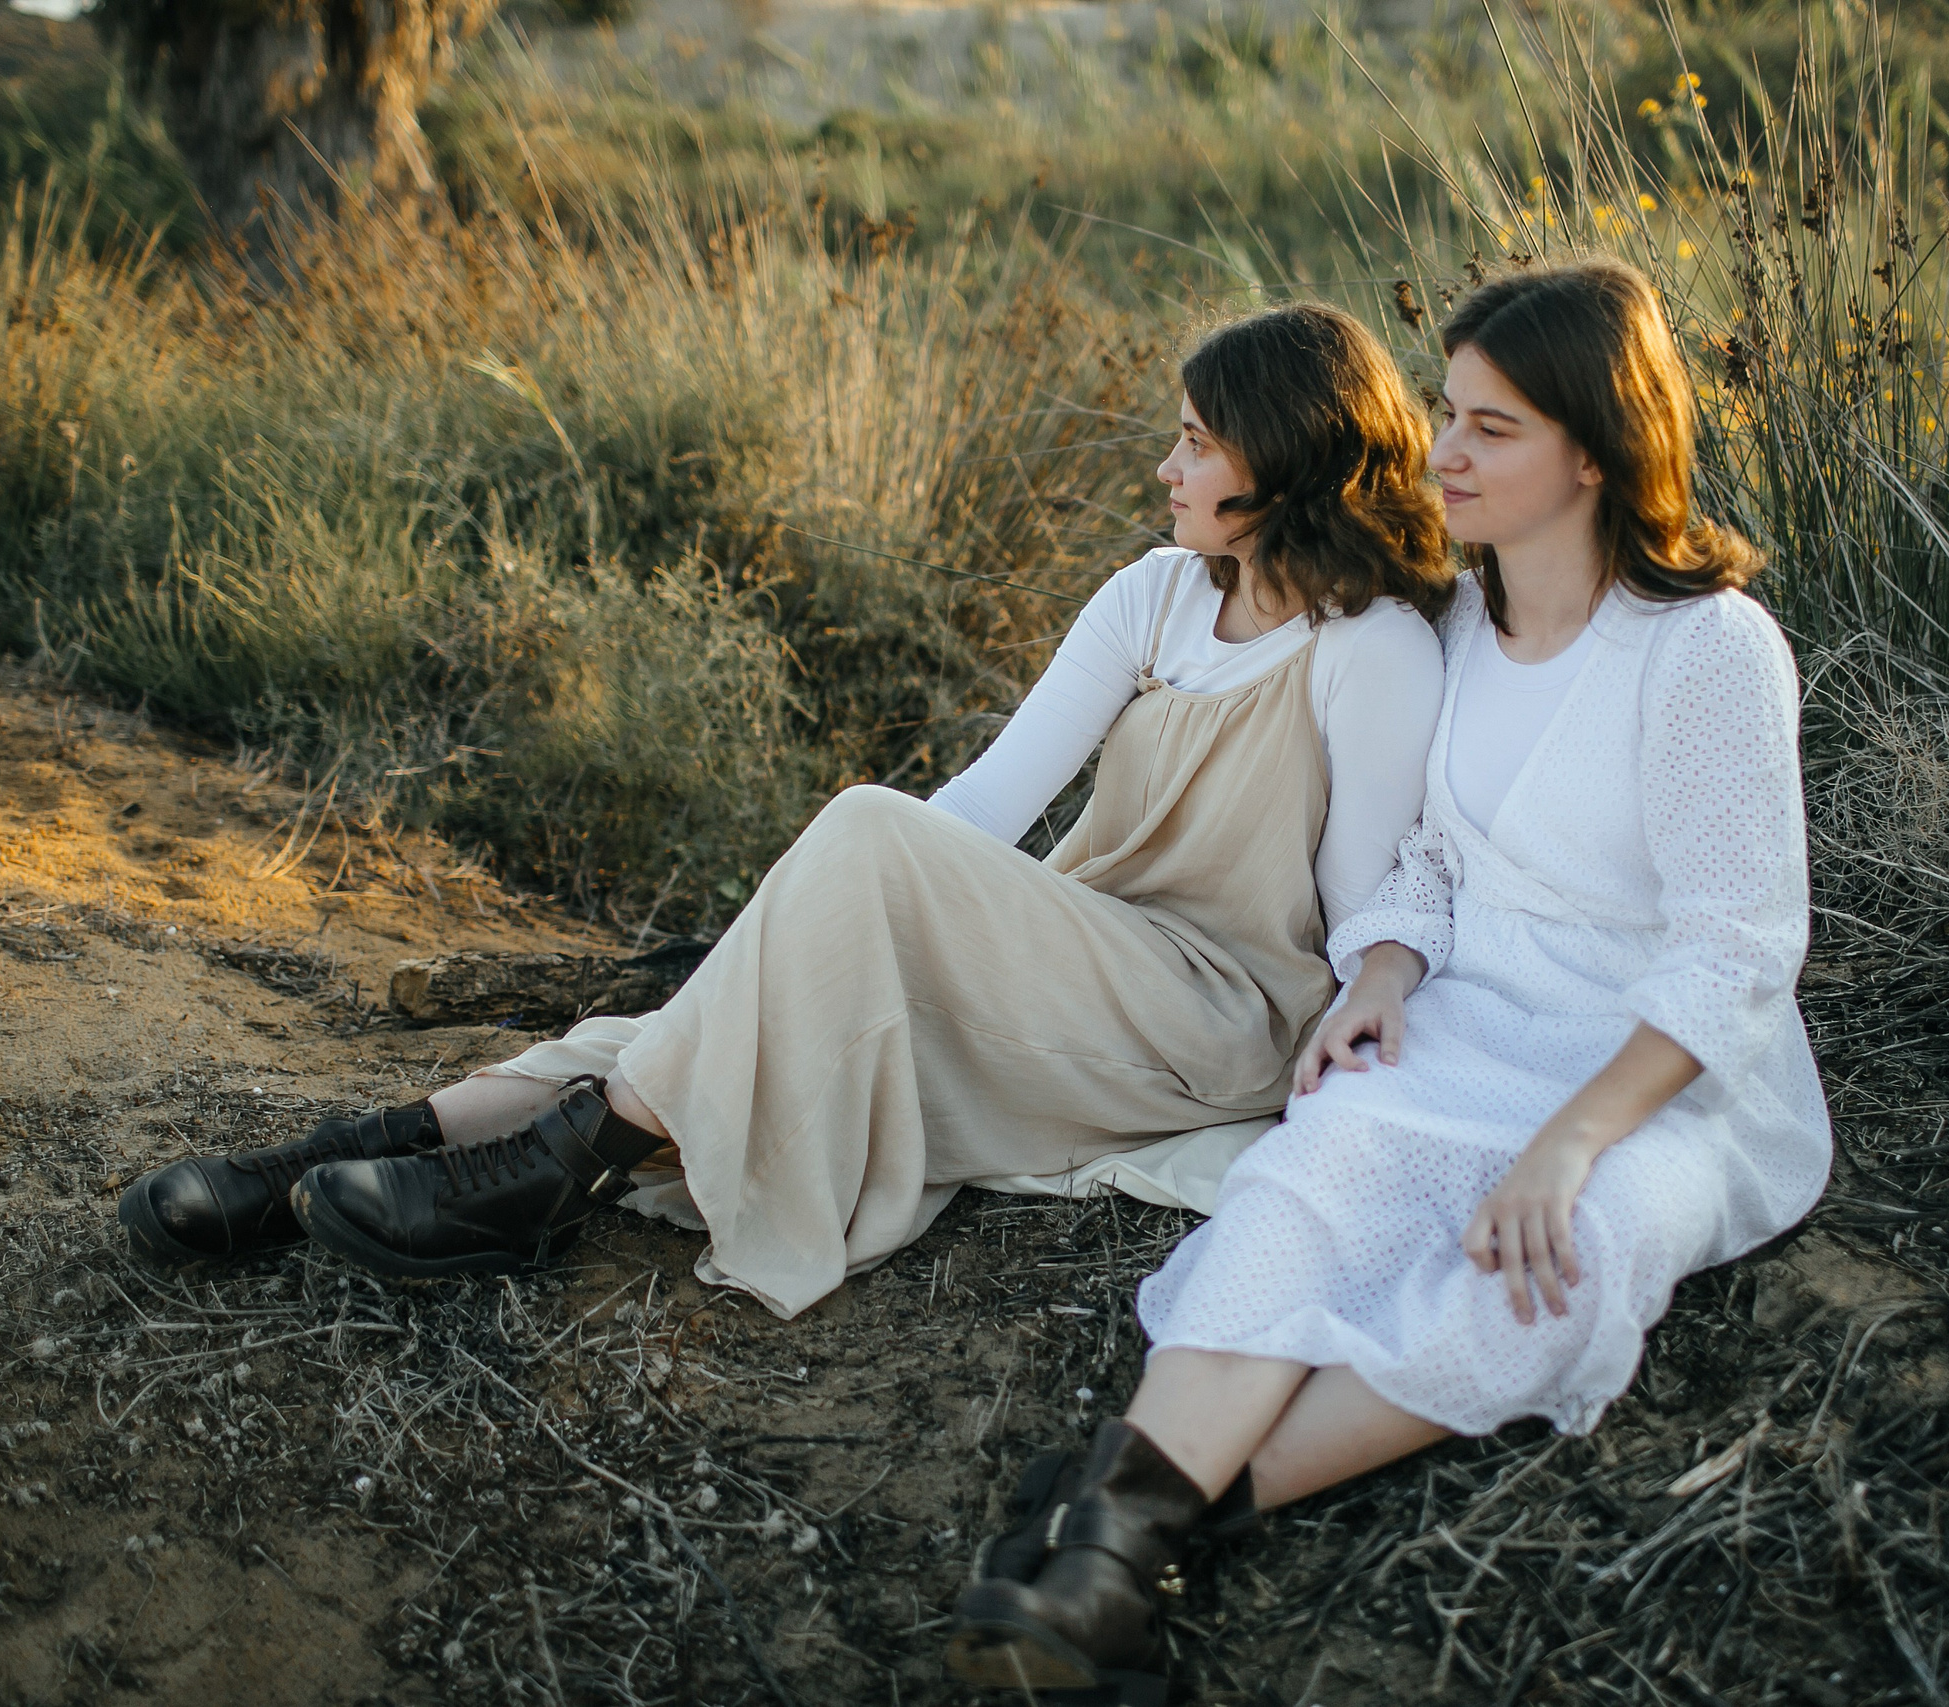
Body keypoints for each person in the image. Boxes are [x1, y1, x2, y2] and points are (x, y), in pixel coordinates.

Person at [118, 303, 1458, 1322]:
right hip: (1079, 955)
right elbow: (986, 804)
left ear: (1280, 461)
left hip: (1215, 1016)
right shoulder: (1156, 595)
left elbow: (1358, 913)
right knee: (718, 1010)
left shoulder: (1373, 645)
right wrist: (813, 934)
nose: (1165, 466)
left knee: (867, 837)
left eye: (1195, 441)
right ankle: (333, 1165)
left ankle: (536, 1180)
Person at [944, 258, 1833, 1705]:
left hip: (1664, 1082)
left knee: (1557, 1254)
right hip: (1472, 1018)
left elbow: (1739, 947)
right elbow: (1427, 860)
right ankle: (1110, 1541)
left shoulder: (1706, 649)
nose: (1442, 454)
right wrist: (1386, 968)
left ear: (1599, 452)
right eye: (1445, 414)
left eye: (1493, 428)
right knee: (1314, 1180)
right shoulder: (1461, 629)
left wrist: (1570, 1141)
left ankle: (1155, 1530)